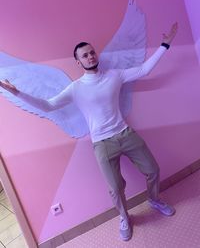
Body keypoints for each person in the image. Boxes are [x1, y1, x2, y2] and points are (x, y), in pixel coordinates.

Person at [0, 23, 178, 241]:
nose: (90, 56)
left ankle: (154, 199)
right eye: (85, 55)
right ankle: (124, 217)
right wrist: (17, 93)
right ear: (79, 61)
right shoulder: (76, 88)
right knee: (115, 188)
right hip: (102, 144)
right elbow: (48, 106)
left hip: (126, 134)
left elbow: (144, 70)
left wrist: (165, 44)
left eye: (92, 52)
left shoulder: (115, 75)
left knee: (153, 170)